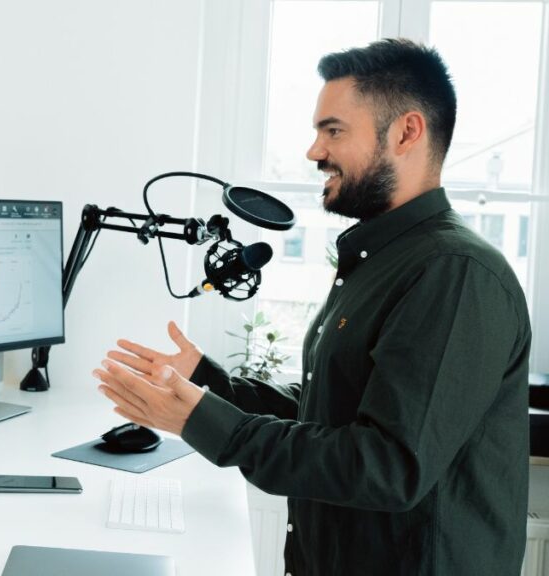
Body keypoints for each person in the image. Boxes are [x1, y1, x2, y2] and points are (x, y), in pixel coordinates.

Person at [93, 38, 531, 576]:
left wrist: (203, 421)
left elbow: (388, 466)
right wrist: (208, 384)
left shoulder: (454, 274)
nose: (314, 151)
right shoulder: (381, 259)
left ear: (407, 132)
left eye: (333, 130)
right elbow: (329, 405)